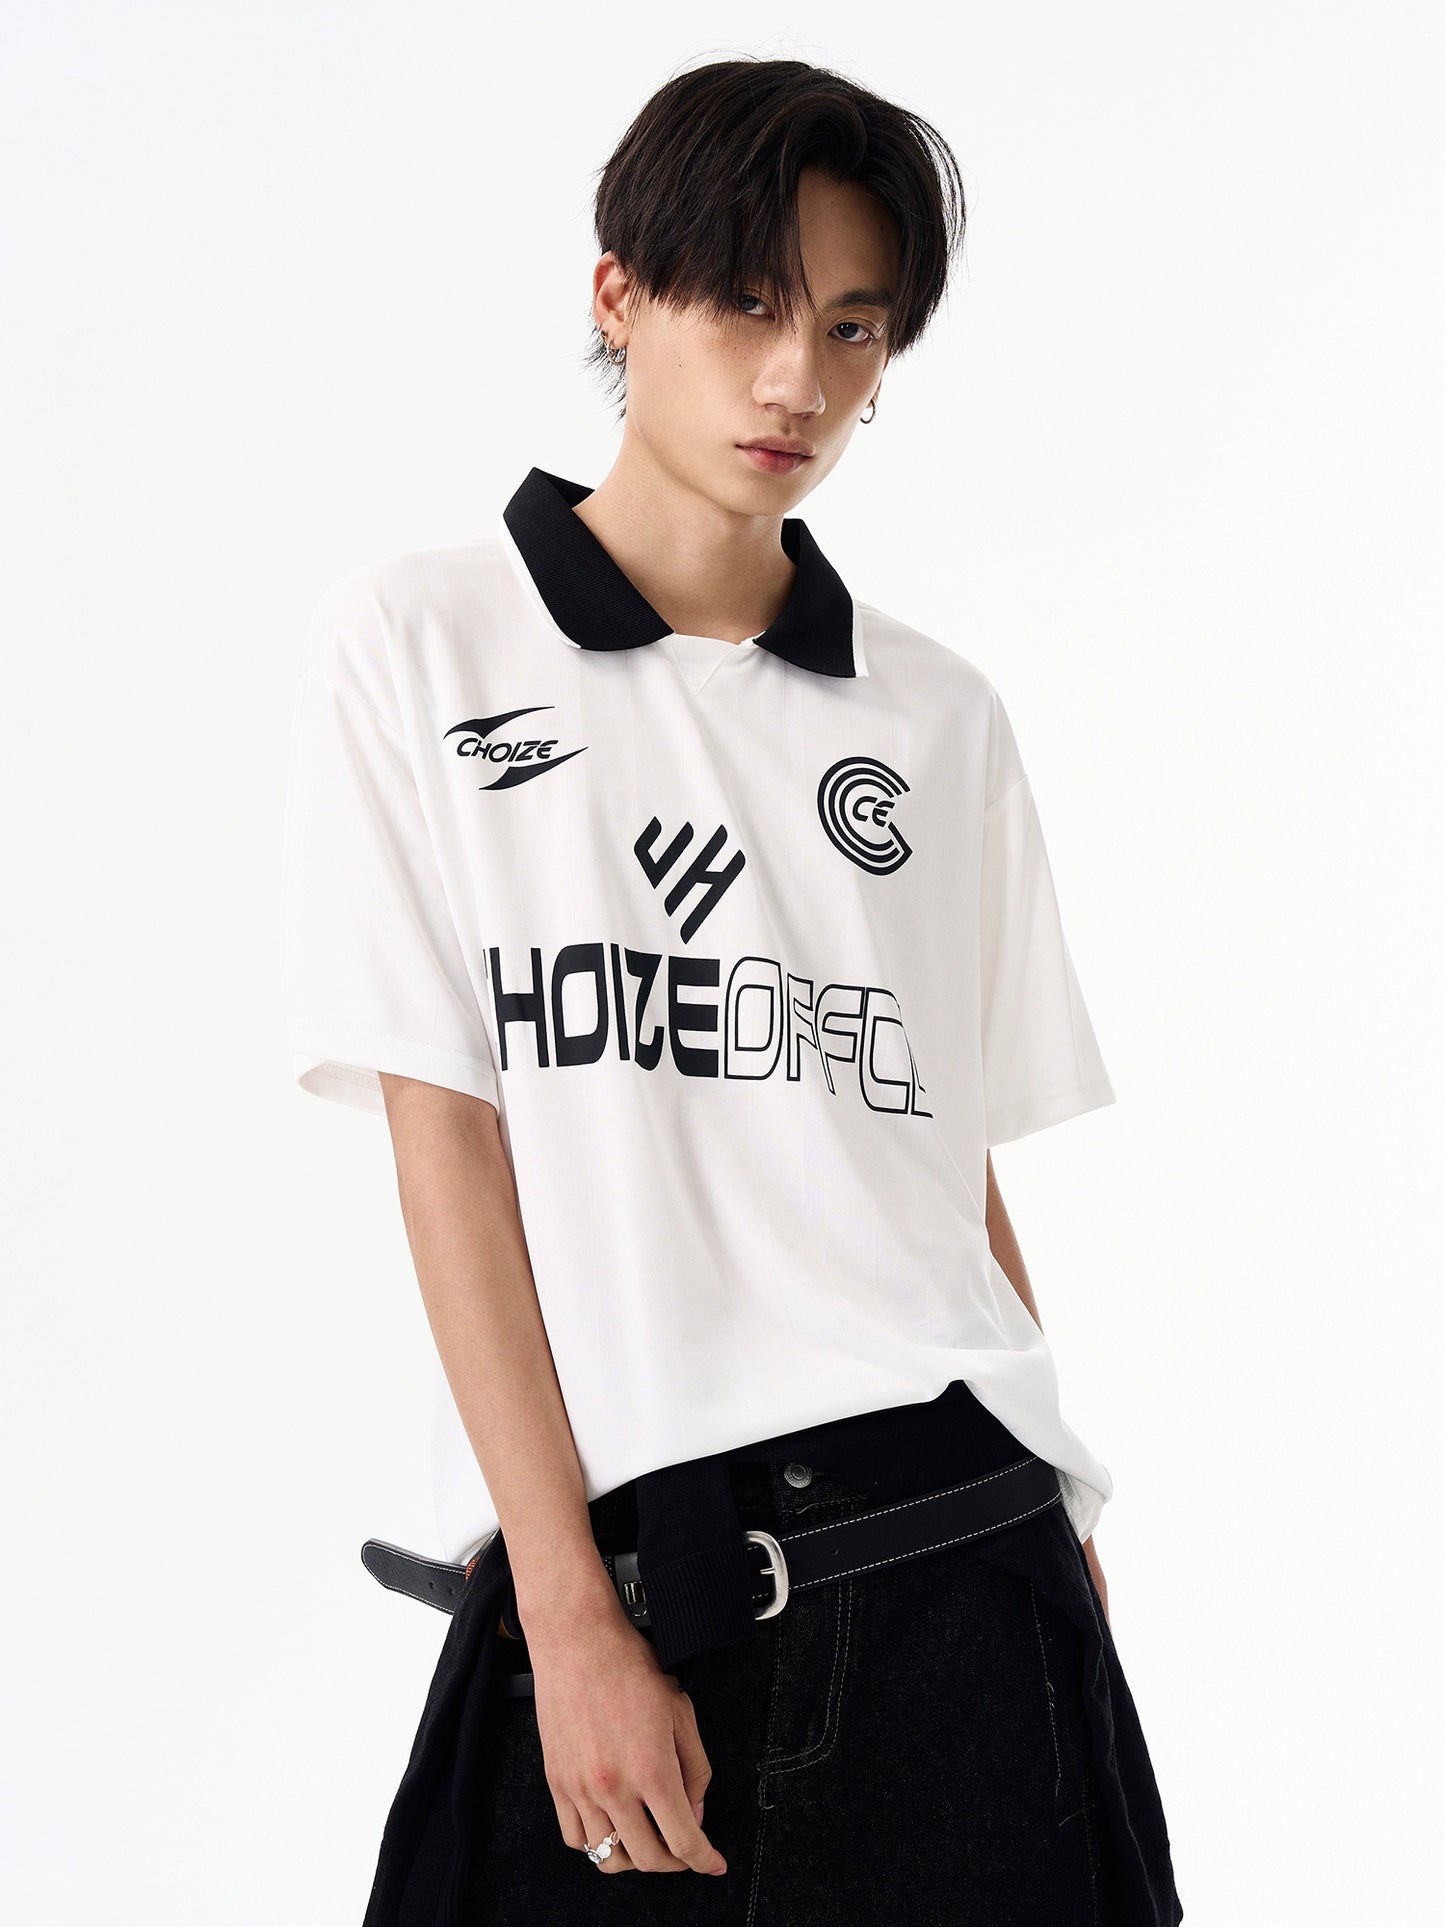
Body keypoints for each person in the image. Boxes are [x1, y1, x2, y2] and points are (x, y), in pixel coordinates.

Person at [280, 54, 1184, 1926]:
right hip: (644, 1577)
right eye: (750, 305)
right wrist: (562, 1611)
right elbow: (447, 1138)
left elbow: (935, 1156)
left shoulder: (932, 716)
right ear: (619, 296)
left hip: (968, 1556)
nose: (799, 382)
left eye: (853, 327)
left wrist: (1059, 1518)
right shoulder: (424, 643)